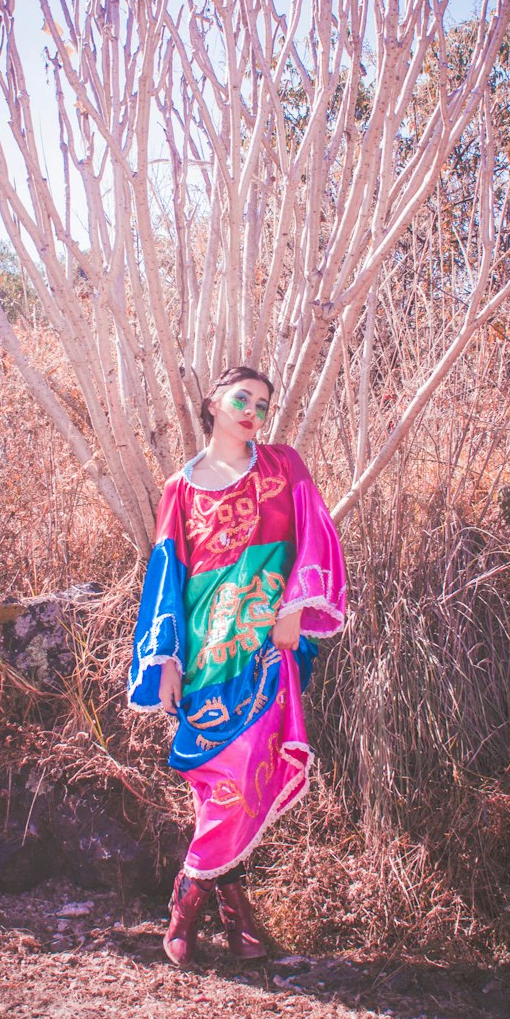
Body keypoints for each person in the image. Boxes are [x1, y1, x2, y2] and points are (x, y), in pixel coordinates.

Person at [127, 365, 346, 968]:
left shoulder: (284, 466)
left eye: (263, 403)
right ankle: (234, 908)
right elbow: (166, 576)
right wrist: (165, 659)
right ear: (214, 404)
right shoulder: (180, 487)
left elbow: (317, 538)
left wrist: (296, 610)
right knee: (218, 785)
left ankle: (186, 898)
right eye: (242, 398)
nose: (253, 409)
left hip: (266, 649)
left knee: (249, 769)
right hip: (204, 657)